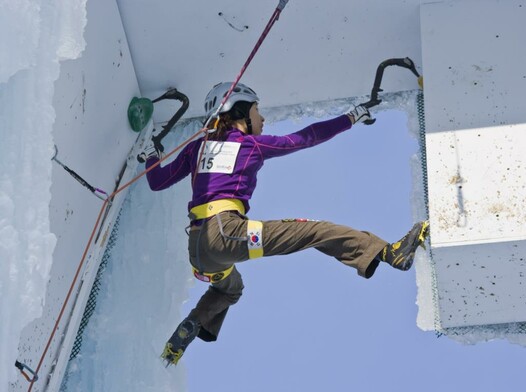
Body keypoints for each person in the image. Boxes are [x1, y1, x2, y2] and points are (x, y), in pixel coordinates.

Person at [139, 82, 429, 366]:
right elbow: (304, 138)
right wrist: (351, 116)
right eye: (256, 110)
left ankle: (189, 328)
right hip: (228, 232)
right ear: (238, 110)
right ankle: (389, 252)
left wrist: (150, 153)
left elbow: (157, 181)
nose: (262, 118)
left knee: (230, 289)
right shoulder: (249, 144)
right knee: (314, 231)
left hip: (199, 249)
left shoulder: (197, 149)